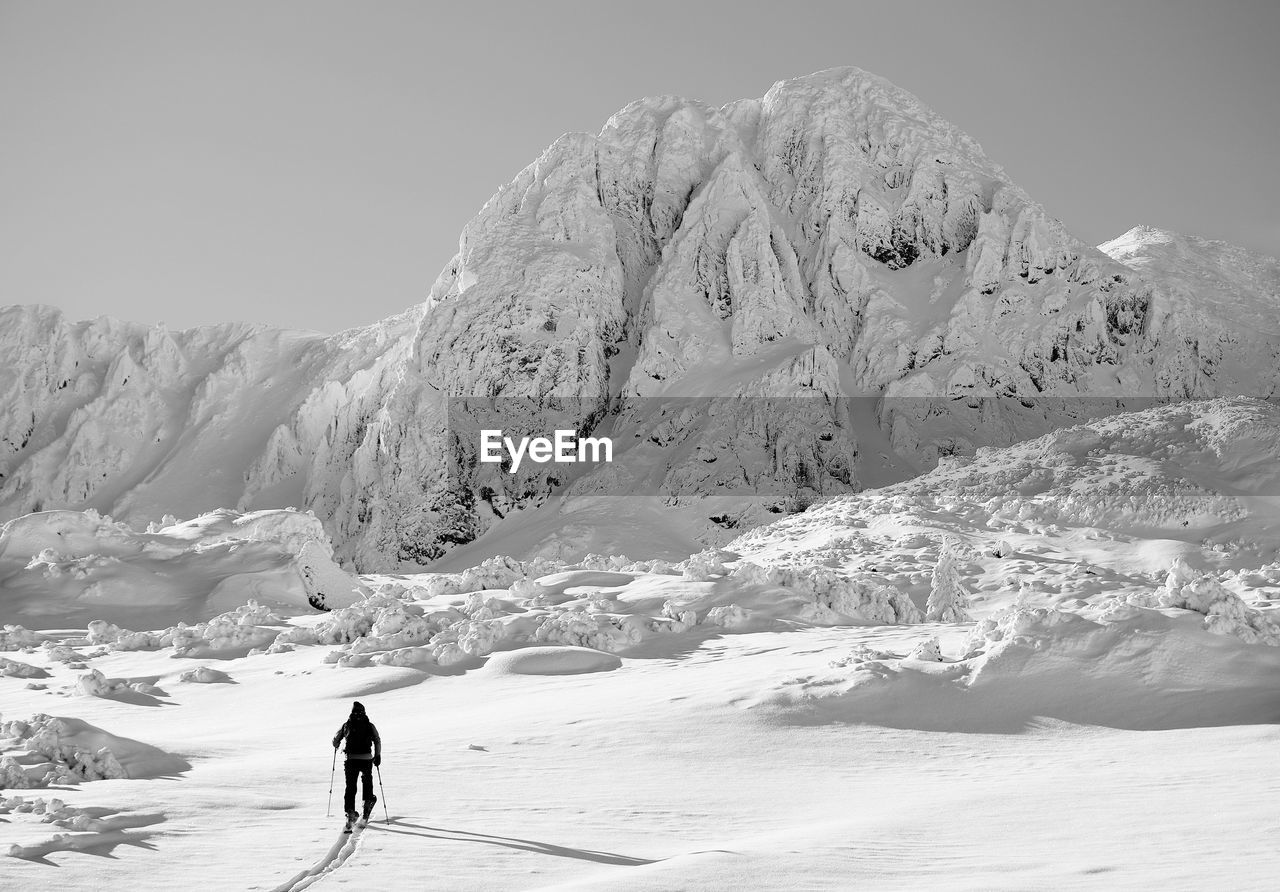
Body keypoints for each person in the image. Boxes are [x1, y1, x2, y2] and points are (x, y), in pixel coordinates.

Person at [332, 701, 381, 827]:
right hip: (366, 759)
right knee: (367, 780)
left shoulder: (346, 725)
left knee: (350, 786)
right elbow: (377, 740)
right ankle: (367, 803)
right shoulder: (369, 726)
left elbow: (335, 740)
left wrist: (337, 745)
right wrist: (377, 755)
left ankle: (350, 813)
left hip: (351, 759)